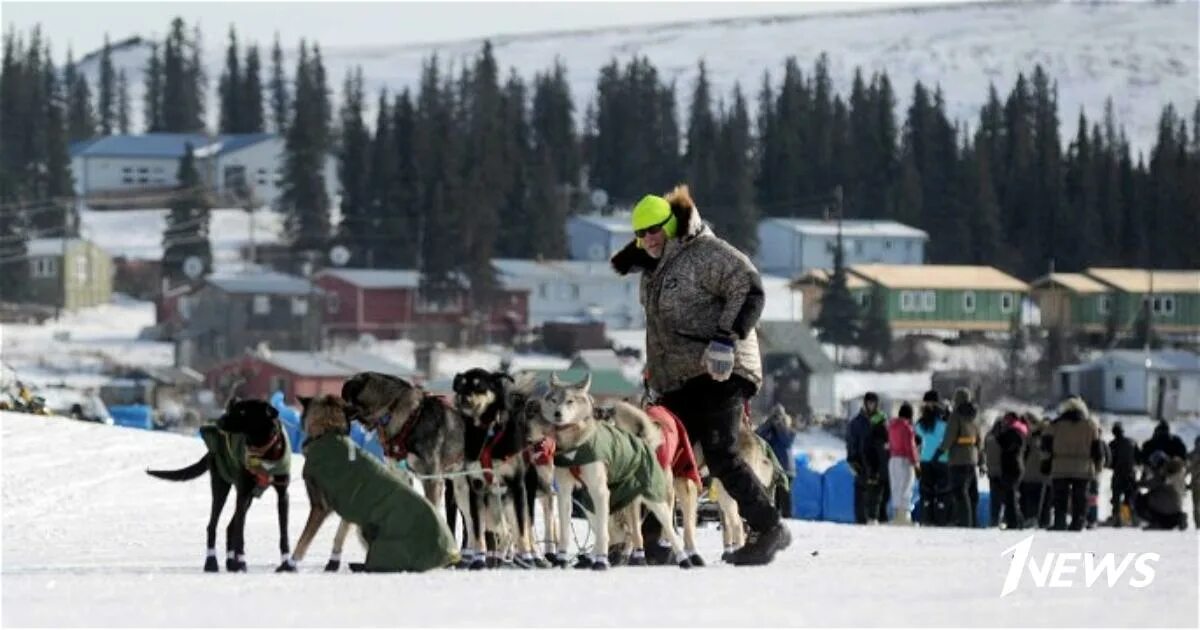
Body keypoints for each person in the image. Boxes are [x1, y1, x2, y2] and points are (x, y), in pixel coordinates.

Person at [611, 186, 788, 566]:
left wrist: (726, 338)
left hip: (722, 367)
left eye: (654, 230)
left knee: (721, 451)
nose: (647, 240)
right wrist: (655, 371)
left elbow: (750, 288)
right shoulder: (655, 269)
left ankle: (768, 525)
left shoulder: (706, 253)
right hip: (680, 378)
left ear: (673, 224)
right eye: (640, 234)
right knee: (665, 451)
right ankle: (655, 538)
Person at [1042, 397, 1103, 532]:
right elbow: (1097, 449)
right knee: (1080, 498)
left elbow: (1046, 446)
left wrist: (1046, 464)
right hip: (1083, 466)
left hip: (1060, 465)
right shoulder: (1090, 425)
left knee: (1060, 497)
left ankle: (1059, 522)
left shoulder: (1055, 425)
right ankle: (1078, 522)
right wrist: (1098, 466)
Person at [935, 387, 981, 528]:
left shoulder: (956, 416)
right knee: (972, 493)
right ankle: (973, 521)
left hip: (958, 459)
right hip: (972, 458)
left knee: (960, 492)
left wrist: (940, 451)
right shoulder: (974, 416)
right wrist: (981, 459)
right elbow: (979, 439)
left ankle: (964, 522)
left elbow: (950, 436)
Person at [756, 404, 798, 519]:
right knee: (773, 496)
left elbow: (786, 441)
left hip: (786, 469)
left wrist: (779, 425)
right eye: (774, 416)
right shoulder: (769, 431)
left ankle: (787, 516)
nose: (776, 419)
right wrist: (768, 424)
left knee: (784, 494)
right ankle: (775, 517)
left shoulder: (789, 431)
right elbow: (758, 437)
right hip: (772, 468)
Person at [914, 391, 949, 526]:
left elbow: (916, 440)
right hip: (942, 459)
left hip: (926, 459)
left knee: (926, 492)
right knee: (942, 492)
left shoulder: (922, 421)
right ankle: (941, 519)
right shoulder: (944, 418)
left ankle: (926, 519)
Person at [846, 392, 880, 524]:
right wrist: (852, 460)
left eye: (873, 403)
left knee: (875, 494)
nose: (871, 405)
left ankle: (874, 518)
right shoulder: (856, 422)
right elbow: (850, 442)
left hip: (876, 463)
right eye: (869, 402)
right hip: (860, 462)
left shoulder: (880, 420)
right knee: (860, 493)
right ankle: (860, 521)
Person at [1135, 452, 1188, 530]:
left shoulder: (1163, 472)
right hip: (1176, 507)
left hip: (1165, 506)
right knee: (1155, 495)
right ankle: (1178, 519)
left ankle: (1157, 523)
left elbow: (1152, 483)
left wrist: (1136, 484)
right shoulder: (1176, 472)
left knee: (1141, 500)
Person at [887, 403, 919, 525]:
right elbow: (910, 447)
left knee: (896, 488)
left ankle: (896, 516)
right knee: (906, 487)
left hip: (893, 459)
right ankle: (904, 517)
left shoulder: (891, 426)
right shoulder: (907, 427)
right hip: (904, 460)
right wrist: (915, 462)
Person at [994, 412, 1028, 529]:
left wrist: (998, 434)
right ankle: (1017, 520)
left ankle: (1014, 522)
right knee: (1011, 495)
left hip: (1011, 467)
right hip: (1015, 466)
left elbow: (1005, 445)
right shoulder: (1019, 431)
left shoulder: (1013, 432)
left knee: (1010, 496)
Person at [860, 408, 892, 524]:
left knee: (875, 496)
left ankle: (873, 517)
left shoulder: (869, 436)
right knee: (882, 496)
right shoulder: (885, 436)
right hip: (883, 470)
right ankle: (879, 517)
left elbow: (866, 454)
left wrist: (871, 469)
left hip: (875, 471)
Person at [1107, 422, 1140, 527]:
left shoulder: (1112, 444)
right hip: (1131, 474)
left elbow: (1109, 461)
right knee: (1128, 497)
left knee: (1116, 497)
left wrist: (1112, 466)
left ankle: (1117, 518)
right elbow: (1139, 458)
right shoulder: (1132, 442)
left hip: (1118, 474)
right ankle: (1126, 518)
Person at [1020, 415, 1050, 528]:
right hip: (1044, 474)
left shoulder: (1030, 436)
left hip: (1029, 473)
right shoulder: (1049, 438)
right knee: (1044, 500)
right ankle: (1042, 521)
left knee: (1030, 498)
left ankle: (1030, 518)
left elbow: (1024, 453)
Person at [982, 419, 1004, 528]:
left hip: (992, 471)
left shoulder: (989, 437)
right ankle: (1003, 519)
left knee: (994, 498)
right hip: (1003, 471)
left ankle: (994, 520)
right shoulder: (1004, 438)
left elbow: (984, 451)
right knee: (1005, 498)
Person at [1188, 436, 1200, 530]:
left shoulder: (1191, 454)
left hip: (1195, 483)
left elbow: (1186, 469)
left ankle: (1198, 525)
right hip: (1195, 482)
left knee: (1196, 505)